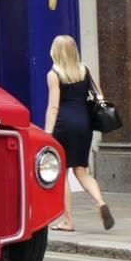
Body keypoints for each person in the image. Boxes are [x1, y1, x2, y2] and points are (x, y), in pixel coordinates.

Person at [45, 34, 114, 232]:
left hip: (64, 125)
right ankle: (100, 202)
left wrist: (48, 131)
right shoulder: (84, 69)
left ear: (56, 51)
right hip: (84, 123)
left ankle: (68, 221)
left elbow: (54, 106)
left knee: (63, 173)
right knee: (81, 170)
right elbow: (99, 95)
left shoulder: (54, 74)